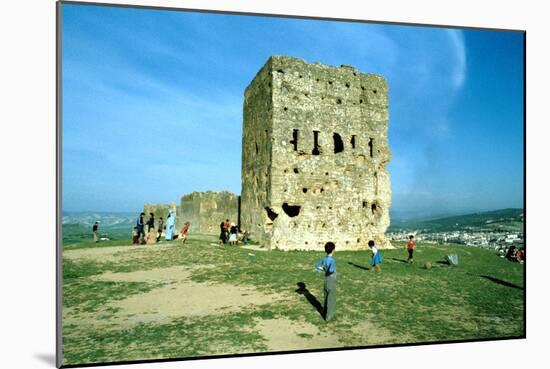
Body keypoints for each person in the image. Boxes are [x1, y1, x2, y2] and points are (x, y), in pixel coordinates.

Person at [315, 242, 337, 322]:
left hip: (326, 280)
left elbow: (317, 265)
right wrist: (326, 270)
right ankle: (328, 317)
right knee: (331, 299)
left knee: (326, 296)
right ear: (333, 250)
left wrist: (323, 269)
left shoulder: (324, 259)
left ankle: (324, 312)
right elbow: (331, 270)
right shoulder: (332, 260)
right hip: (331, 280)